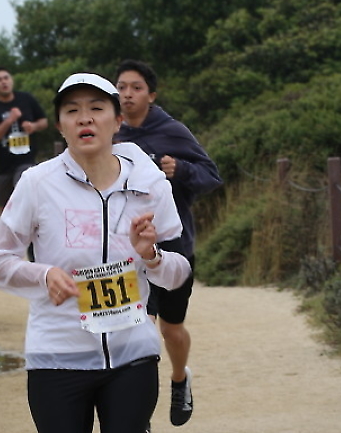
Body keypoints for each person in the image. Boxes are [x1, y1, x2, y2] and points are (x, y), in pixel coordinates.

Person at [0, 73, 191, 433]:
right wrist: (44, 275)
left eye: (96, 108)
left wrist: (152, 256)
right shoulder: (37, 184)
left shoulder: (149, 184)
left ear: (118, 121)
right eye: (72, 111)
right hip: (57, 355)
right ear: (60, 126)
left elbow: (179, 273)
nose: (84, 118)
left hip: (132, 354)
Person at [114, 59, 223, 428]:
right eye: (122, 87)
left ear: (152, 95)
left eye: (136, 87)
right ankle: (137, 415)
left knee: (170, 330)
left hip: (174, 247)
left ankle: (180, 379)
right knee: (138, 328)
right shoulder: (109, 133)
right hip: (129, 252)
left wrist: (183, 170)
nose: (127, 94)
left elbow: (211, 176)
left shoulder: (172, 131)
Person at [0, 67, 48, 210]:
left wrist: (33, 126)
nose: (4, 82)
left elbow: (44, 122)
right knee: (5, 209)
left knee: (22, 198)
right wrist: (9, 121)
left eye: (6, 78)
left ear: (11, 80)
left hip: (25, 160)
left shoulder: (26, 99)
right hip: (0, 166)